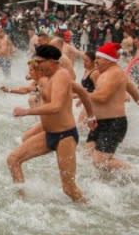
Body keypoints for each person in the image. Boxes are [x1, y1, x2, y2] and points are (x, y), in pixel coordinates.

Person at [8, 45, 96, 203]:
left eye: (39, 61)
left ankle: (90, 208)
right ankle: (22, 203)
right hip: (49, 134)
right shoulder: (44, 77)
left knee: (68, 188)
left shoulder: (62, 75)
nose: (37, 65)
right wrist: (91, 116)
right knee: (13, 160)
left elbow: (56, 106)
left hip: (65, 137)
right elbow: (82, 92)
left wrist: (26, 111)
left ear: (51, 62)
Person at [87, 43, 139, 171]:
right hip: (100, 122)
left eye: (98, 59)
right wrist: (138, 99)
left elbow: (102, 97)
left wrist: (81, 93)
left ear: (108, 60)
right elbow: (130, 85)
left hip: (113, 123)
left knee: (100, 161)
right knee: (87, 154)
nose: (95, 61)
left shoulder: (114, 73)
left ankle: (135, 175)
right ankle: (100, 183)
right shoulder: (109, 72)